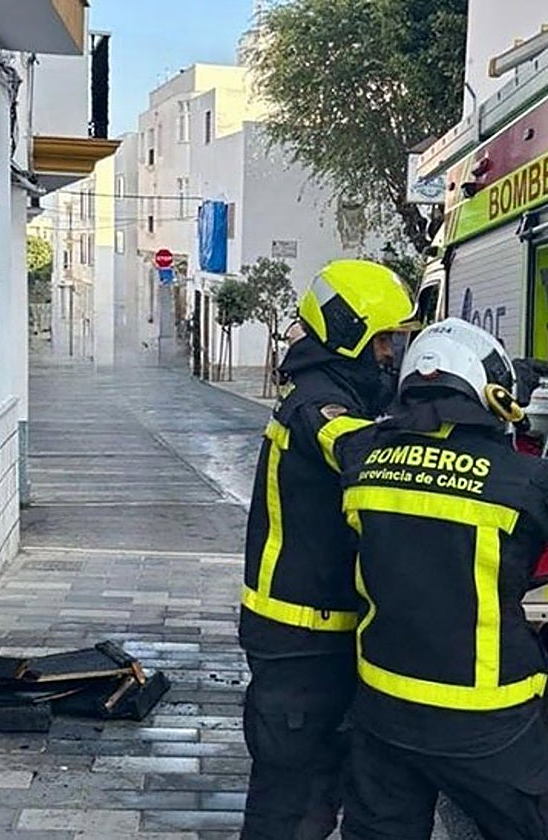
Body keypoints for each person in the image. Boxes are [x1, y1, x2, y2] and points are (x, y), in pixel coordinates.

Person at [328, 317, 548, 840]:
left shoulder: (364, 459)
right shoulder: (522, 481)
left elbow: (391, 435)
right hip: (484, 722)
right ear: (485, 392)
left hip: (383, 710)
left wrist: (498, 391)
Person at [239, 259, 416, 839]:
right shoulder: (318, 405)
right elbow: (367, 456)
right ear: (351, 333)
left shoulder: (334, 391)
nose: (391, 354)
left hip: (315, 631)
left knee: (318, 790)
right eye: (386, 339)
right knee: (290, 801)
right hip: (300, 639)